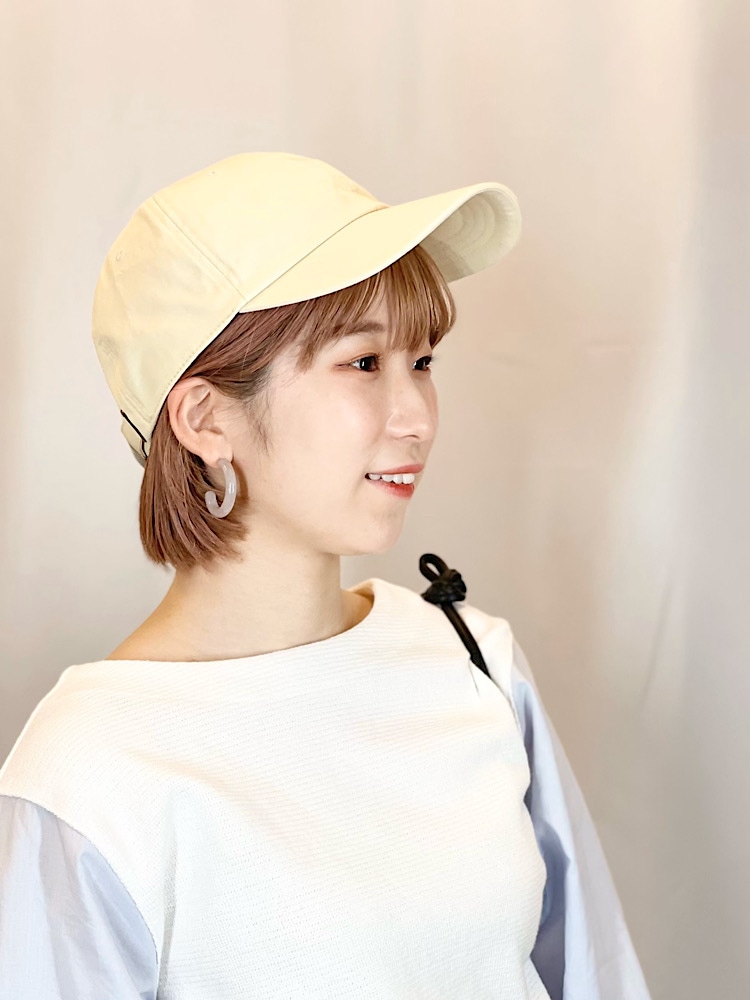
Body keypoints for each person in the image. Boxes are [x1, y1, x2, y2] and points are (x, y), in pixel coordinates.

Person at [0, 152, 651, 1000]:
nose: (417, 418)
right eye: (363, 363)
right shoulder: (89, 773)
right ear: (205, 415)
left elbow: (595, 977)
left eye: (423, 362)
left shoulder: (473, 660)